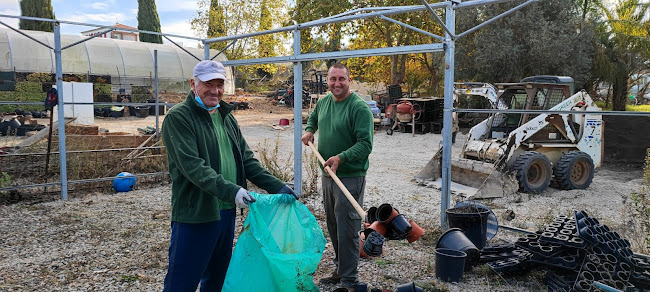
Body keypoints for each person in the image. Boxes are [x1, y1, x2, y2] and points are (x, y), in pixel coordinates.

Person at [161, 60, 296, 292]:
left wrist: (278, 187)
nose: (215, 90)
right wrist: (234, 191)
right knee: (182, 282)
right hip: (196, 213)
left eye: (219, 84)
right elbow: (194, 167)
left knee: (217, 279)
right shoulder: (179, 118)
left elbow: (247, 161)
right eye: (208, 84)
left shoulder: (226, 117)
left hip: (225, 212)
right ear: (194, 84)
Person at [301, 63, 374, 291]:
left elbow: (365, 145)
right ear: (328, 81)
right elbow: (313, 118)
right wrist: (310, 129)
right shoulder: (324, 102)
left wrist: (341, 158)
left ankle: (350, 281)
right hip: (328, 174)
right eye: (333, 79)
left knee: (349, 229)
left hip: (350, 176)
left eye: (341, 79)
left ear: (349, 80)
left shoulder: (359, 108)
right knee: (333, 225)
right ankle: (341, 270)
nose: (337, 83)